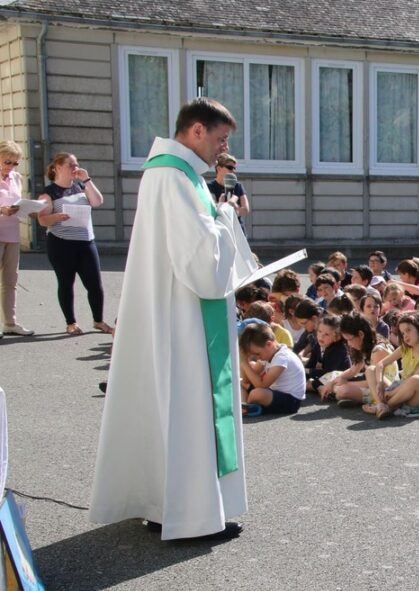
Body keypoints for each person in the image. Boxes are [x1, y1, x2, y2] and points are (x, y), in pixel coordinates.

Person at [91, 98, 256, 540]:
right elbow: (201, 262)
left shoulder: (173, 174)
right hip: (184, 317)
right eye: (219, 139)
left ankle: (169, 505)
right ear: (196, 130)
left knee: (175, 408)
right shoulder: (175, 176)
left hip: (175, 309)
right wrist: (224, 216)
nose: (222, 150)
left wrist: (217, 214)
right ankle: (190, 516)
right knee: (187, 406)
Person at [35, 152, 113, 336]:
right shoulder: (49, 193)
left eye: (76, 164)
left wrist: (86, 180)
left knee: (95, 284)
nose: (75, 168)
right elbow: (42, 220)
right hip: (62, 244)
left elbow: (97, 201)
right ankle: (71, 323)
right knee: (66, 283)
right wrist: (56, 217)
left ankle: (98, 321)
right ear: (58, 168)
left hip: (86, 242)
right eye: (71, 165)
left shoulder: (80, 186)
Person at [363, 311, 419, 419]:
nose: (405, 336)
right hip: (400, 390)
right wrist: (380, 383)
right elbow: (381, 364)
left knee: (416, 379)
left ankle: (387, 407)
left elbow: (415, 378)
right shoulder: (405, 348)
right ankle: (380, 404)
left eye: (408, 330)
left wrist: (391, 393)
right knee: (371, 369)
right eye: (403, 333)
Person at [237, 322, 305, 416]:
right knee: (242, 381)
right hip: (274, 393)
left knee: (257, 393)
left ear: (269, 344)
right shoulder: (268, 353)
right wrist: (244, 362)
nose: (257, 358)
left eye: (257, 354)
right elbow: (248, 380)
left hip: (291, 401)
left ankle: (246, 407)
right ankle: (244, 406)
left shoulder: (282, 358)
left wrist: (244, 363)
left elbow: (261, 385)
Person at [0, 140, 31, 336]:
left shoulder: (17, 178)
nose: (10, 166)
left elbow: (18, 202)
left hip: (12, 234)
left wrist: (24, 208)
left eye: (14, 163)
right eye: (7, 161)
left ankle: (10, 323)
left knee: (11, 281)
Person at [206, 153, 250, 231]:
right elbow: (212, 208)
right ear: (219, 168)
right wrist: (223, 206)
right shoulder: (210, 186)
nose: (233, 171)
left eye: (234, 168)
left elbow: (246, 209)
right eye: (230, 167)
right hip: (219, 228)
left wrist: (236, 211)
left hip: (237, 229)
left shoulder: (238, 186)